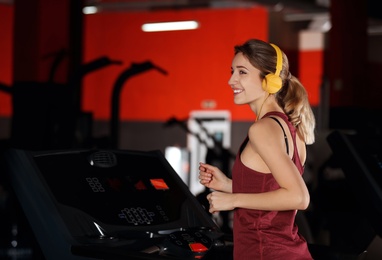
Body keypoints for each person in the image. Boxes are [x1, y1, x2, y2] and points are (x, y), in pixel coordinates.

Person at [198, 38, 315, 259]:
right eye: (232, 71)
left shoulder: (262, 129)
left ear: (269, 80)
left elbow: (299, 197)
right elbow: (271, 190)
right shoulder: (292, 129)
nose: (231, 80)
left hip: (265, 252)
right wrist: (229, 186)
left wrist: (233, 200)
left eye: (242, 72)